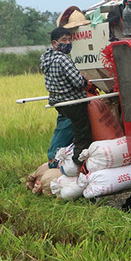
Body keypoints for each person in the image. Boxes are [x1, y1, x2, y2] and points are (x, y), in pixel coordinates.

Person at [41, 26, 96, 171]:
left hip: (59, 103)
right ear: (54, 43)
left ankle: (54, 157)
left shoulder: (47, 59)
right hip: (73, 102)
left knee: (64, 128)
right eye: (63, 40)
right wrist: (85, 82)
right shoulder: (63, 59)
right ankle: (80, 161)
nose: (67, 43)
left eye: (69, 39)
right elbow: (77, 81)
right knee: (82, 132)